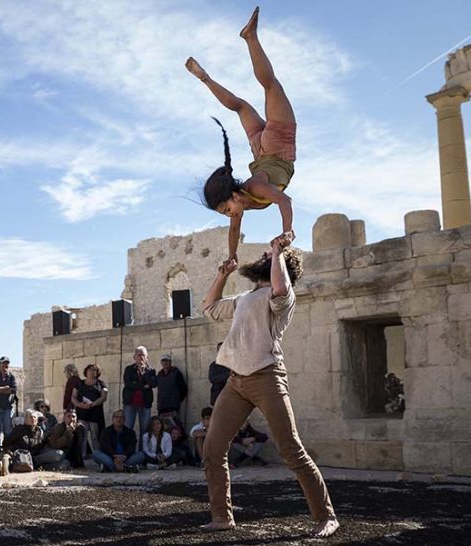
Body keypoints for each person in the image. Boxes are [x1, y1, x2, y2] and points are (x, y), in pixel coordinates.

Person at [201, 242, 338, 537]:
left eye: (270, 256)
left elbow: (279, 289)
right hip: (235, 381)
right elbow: (210, 308)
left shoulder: (283, 297)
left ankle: (326, 516)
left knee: (291, 450)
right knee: (212, 450)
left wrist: (278, 254)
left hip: (267, 377)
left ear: (282, 267)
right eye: (267, 255)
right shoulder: (245, 298)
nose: (263, 256)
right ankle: (222, 517)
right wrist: (223, 274)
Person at [186, 7, 296, 266]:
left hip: (277, 148)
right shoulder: (240, 205)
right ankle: (205, 78)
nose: (229, 216)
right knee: (241, 107)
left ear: (234, 195)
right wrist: (232, 257)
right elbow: (233, 232)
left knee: (271, 86)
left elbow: (284, 200)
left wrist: (287, 230)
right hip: (261, 151)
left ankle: (251, 38)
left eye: (226, 209)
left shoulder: (254, 189)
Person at [72, 363, 107, 459]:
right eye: (90, 370)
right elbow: (73, 397)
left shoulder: (101, 384)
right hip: (82, 413)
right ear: (86, 371)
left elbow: (104, 397)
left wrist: (94, 404)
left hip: (95, 414)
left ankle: (98, 457)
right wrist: (80, 405)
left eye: (94, 370)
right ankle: (81, 458)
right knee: (82, 437)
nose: (92, 372)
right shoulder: (79, 384)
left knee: (95, 436)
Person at [122, 346, 157, 436]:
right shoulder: (129, 369)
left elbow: (153, 384)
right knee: (128, 427)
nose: (141, 357)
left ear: (147, 357)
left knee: (145, 430)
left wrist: (144, 373)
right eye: (139, 355)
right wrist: (144, 386)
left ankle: (143, 449)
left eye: (143, 355)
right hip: (130, 403)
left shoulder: (151, 371)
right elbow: (128, 384)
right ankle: (128, 449)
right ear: (134, 357)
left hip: (145, 404)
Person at [156, 354, 188, 426]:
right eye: (163, 361)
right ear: (161, 363)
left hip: (173, 407)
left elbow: (184, 388)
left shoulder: (176, 372)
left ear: (170, 362)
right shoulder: (159, 374)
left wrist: (176, 399)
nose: (165, 363)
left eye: (167, 361)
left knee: (175, 427)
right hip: (162, 407)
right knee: (162, 427)